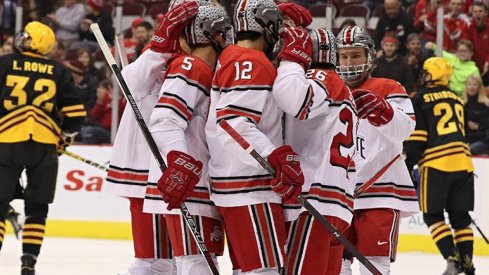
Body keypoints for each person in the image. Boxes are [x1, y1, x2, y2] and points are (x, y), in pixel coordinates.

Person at [205, 0, 305, 273]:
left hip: (235, 186)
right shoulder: (252, 61)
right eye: (279, 26)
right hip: (250, 189)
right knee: (265, 271)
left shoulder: (234, 56)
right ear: (268, 27)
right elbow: (233, 123)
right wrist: (273, 157)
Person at [102, 2, 199, 274]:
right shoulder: (156, 53)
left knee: (184, 259)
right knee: (154, 260)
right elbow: (129, 85)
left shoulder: (200, 57)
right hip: (149, 161)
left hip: (179, 160)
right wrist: (159, 48)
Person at [142, 4, 233, 273]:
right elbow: (165, 119)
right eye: (223, 32)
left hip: (197, 180)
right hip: (188, 181)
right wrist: (178, 163)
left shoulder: (209, 70)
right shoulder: (190, 65)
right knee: (194, 262)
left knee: (199, 260)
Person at [0, 21, 86, 275]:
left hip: (7, 141)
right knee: (37, 208)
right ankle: (29, 263)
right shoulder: (58, 70)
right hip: (44, 147)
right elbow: (76, 113)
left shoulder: (4, 63)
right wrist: (65, 137)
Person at [273, 27, 358, 274]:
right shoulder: (344, 89)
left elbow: (295, 100)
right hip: (338, 205)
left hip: (314, 201)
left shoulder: (319, 78)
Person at [335, 26, 419, 275]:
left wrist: (384, 111)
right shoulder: (329, 89)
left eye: (356, 55)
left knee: (374, 263)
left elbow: (405, 129)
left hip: (379, 191)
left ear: (369, 56)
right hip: (337, 192)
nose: (350, 63)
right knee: (336, 263)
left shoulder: (389, 87)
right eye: (344, 56)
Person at [405, 57, 476, 275]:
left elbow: (419, 137)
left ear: (432, 74)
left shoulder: (421, 98)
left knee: (433, 216)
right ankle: (467, 263)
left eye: (426, 72)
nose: (424, 76)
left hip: (437, 163)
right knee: (461, 218)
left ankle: (452, 259)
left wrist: (409, 164)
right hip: (464, 163)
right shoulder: (456, 97)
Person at [463, 74, 489, 155]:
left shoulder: (486, 103)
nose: (471, 87)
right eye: (469, 84)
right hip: (467, 138)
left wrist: (478, 126)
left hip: (483, 139)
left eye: (474, 84)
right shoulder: (462, 103)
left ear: (479, 87)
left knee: (470, 150)